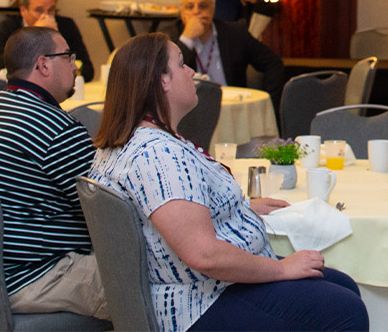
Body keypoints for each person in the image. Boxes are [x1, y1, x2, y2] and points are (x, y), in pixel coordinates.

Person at [88, 33, 367, 332]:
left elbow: (171, 212)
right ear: (162, 80)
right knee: (345, 309)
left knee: (341, 285)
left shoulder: (125, 145)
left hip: (197, 290)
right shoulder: (157, 154)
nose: (191, 73)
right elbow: (203, 254)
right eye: (182, 65)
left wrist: (240, 208)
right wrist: (280, 269)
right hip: (198, 302)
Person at [0, 27, 109, 319]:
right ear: (43, 64)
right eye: (68, 57)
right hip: (36, 276)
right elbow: (107, 207)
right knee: (158, 284)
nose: (75, 66)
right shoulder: (54, 126)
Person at [173, 0, 284, 111]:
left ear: (213, 10)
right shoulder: (172, 38)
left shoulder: (235, 33)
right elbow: (166, 74)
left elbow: (274, 63)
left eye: (203, 6)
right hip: (193, 113)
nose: (196, 11)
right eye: (190, 7)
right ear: (182, 13)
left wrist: (268, 104)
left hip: (233, 109)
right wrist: (187, 38)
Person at [0, 0, 94, 81]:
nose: (46, 16)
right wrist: (33, 36)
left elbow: (88, 70)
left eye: (51, 10)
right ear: (23, 11)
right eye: (39, 10)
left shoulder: (66, 26)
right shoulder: (8, 27)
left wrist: (56, 39)